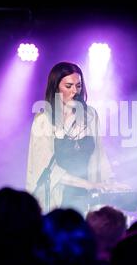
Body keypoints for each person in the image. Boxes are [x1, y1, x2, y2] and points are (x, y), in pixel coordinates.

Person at [26, 61, 127, 214]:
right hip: (56, 197)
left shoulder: (90, 115)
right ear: (56, 88)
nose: (75, 91)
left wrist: (110, 182)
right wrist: (87, 184)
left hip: (86, 197)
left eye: (78, 86)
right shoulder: (44, 120)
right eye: (68, 86)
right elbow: (44, 167)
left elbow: (99, 155)